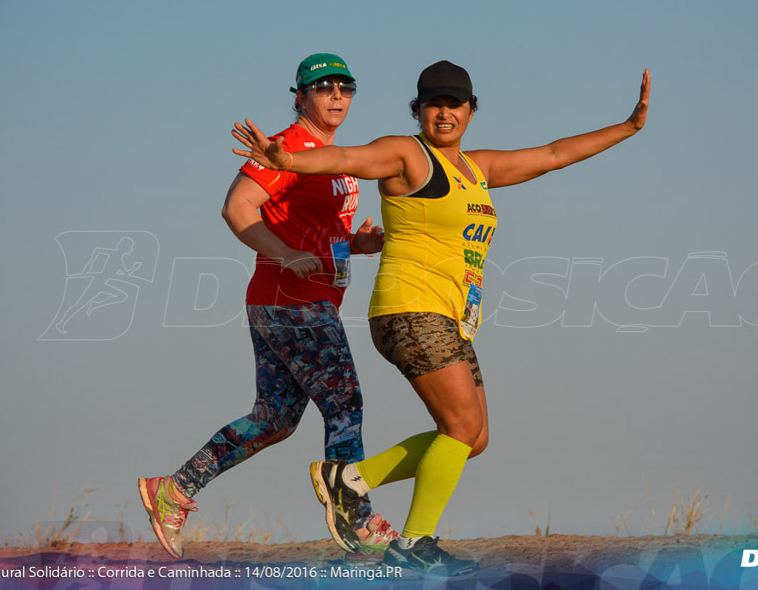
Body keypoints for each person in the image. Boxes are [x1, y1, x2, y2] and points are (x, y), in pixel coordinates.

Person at [232, 60, 651, 576]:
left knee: (473, 439)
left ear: (471, 111)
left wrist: (628, 127)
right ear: (420, 110)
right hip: (410, 309)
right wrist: (288, 160)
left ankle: (351, 480)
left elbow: (552, 155)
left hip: (449, 317)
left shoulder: (478, 169)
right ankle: (413, 542)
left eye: (455, 103)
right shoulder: (407, 154)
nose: (444, 112)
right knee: (460, 424)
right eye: (434, 104)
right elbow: (348, 156)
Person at [138, 53, 397, 563]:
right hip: (290, 301)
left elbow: (315, 230)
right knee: (344, 402)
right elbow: (237, 208)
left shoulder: (335, 157)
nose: (336, 95)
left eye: (345, 87)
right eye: (323, 88)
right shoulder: (287, 148)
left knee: (275, 418)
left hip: (299, 298)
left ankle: (174, 489)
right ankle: (356, 517)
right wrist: (284, 254)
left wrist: (357, 246)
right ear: (300, 96)